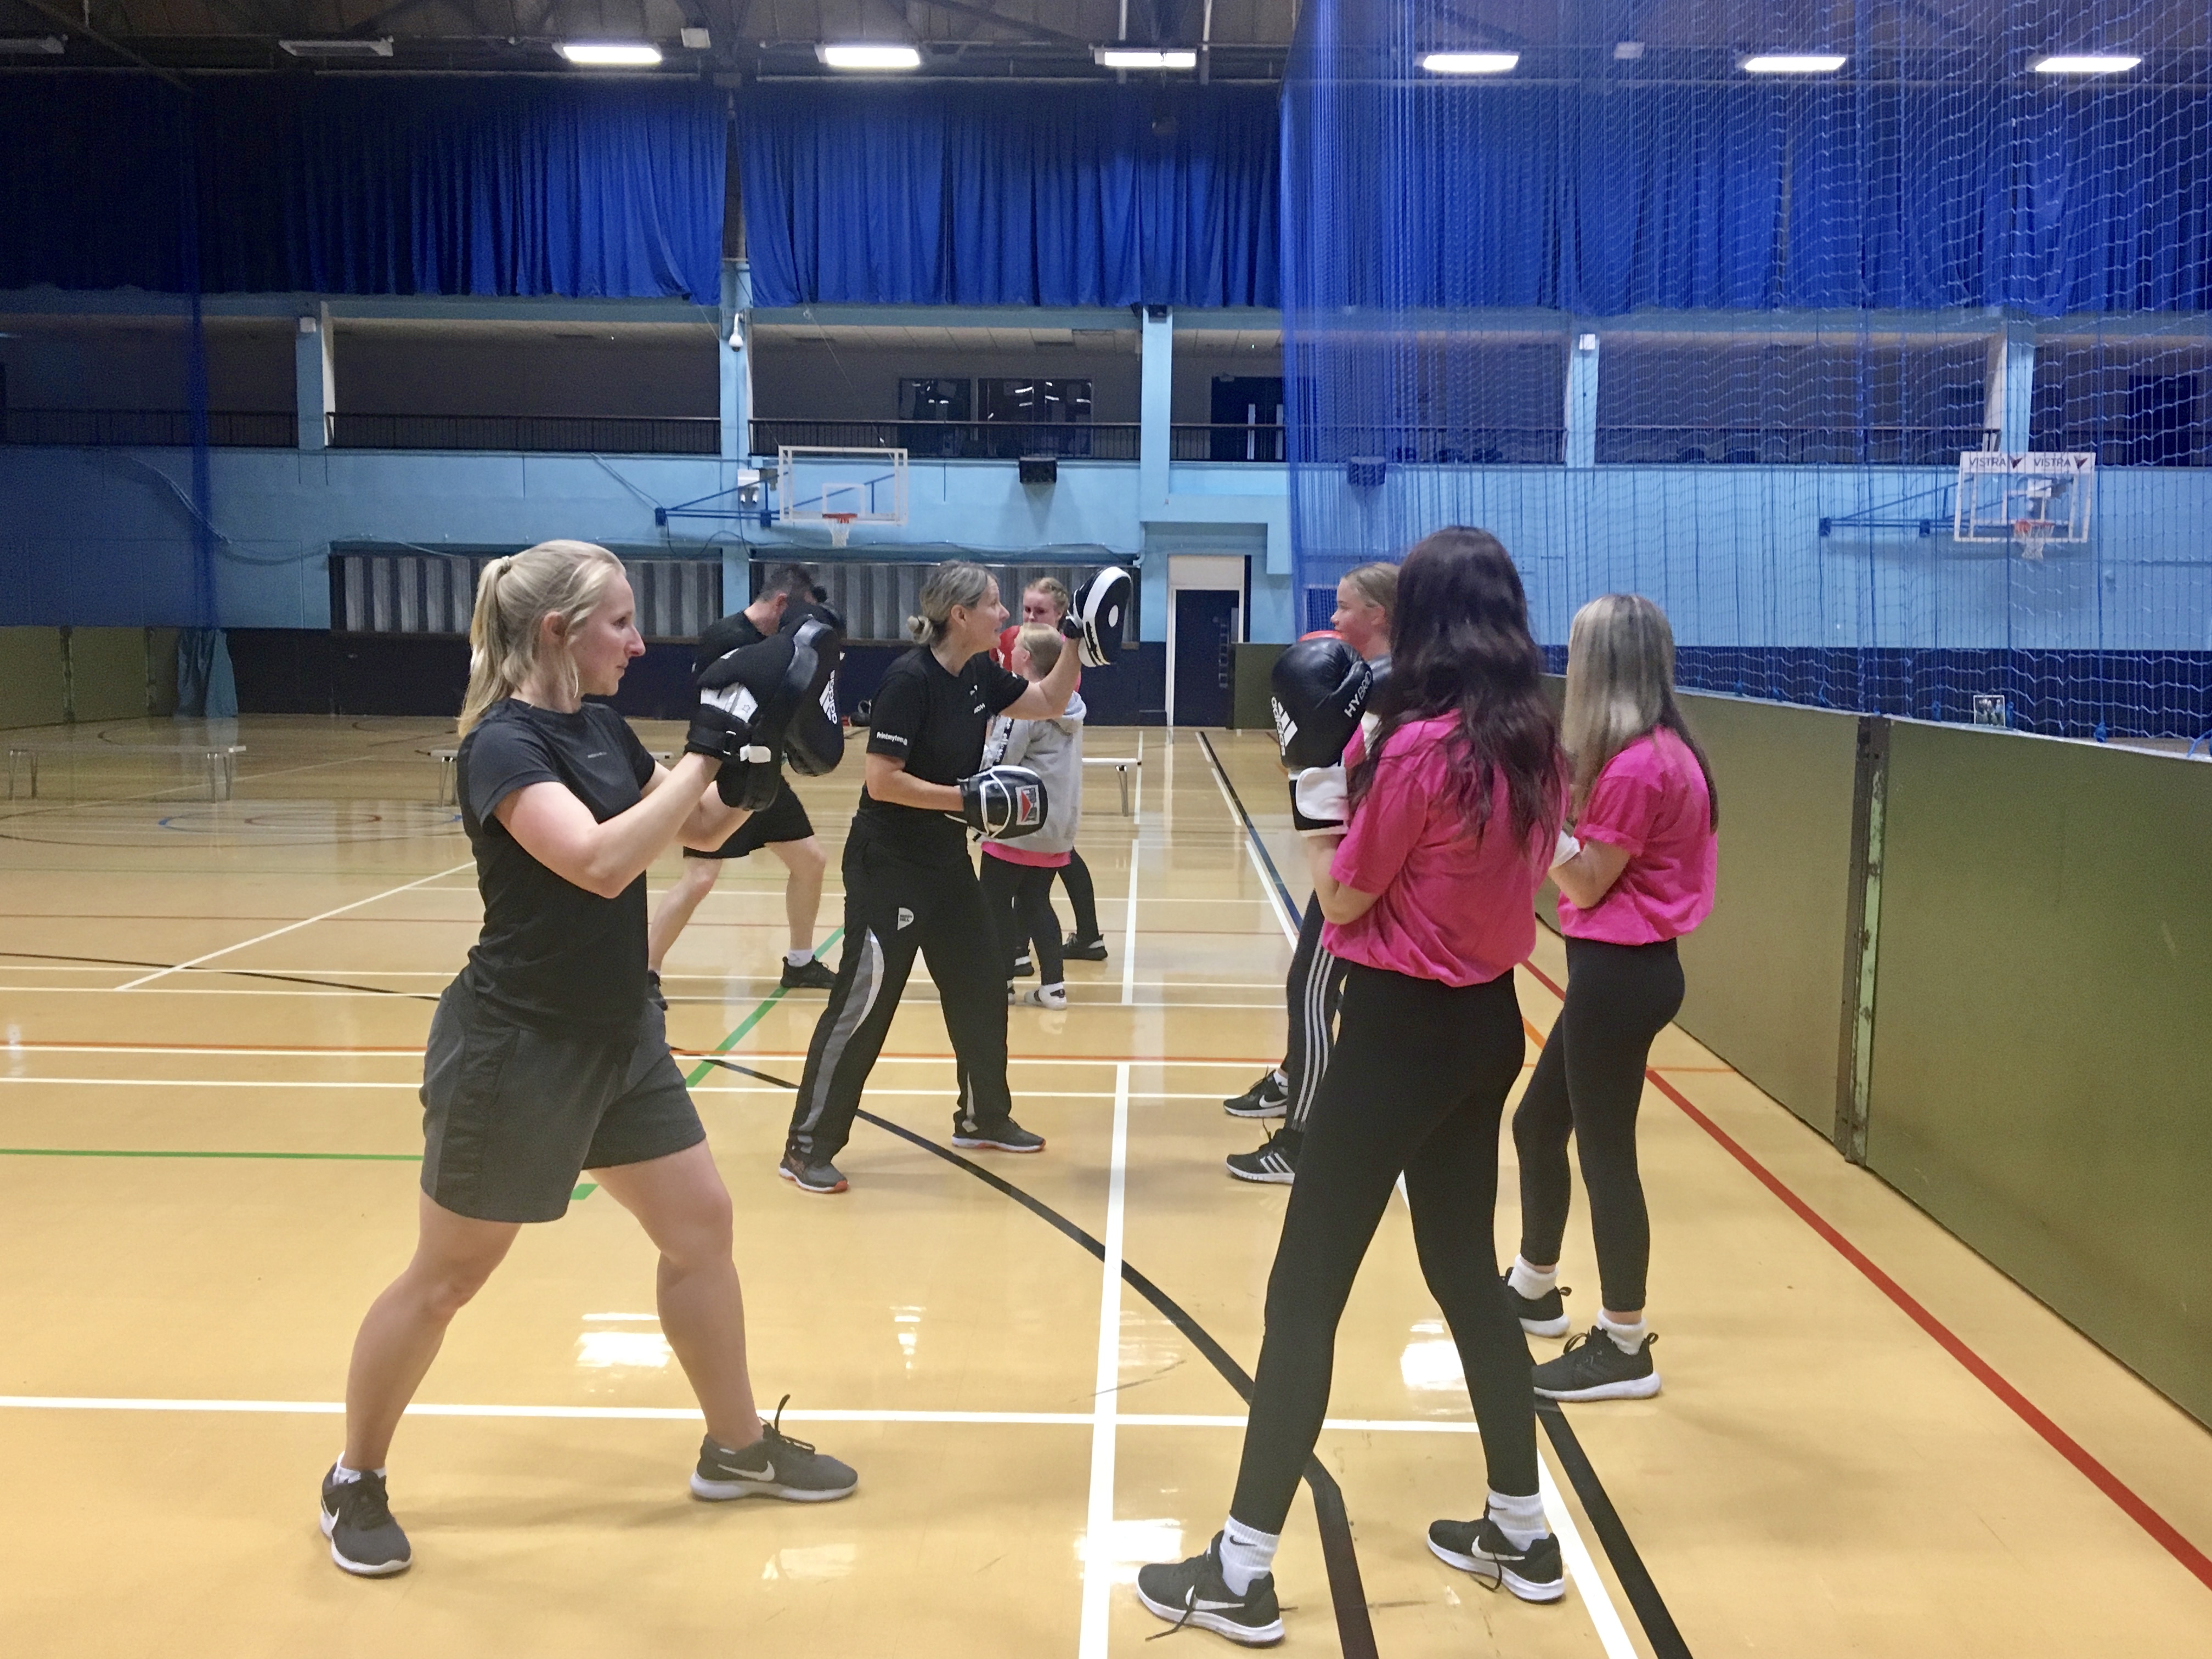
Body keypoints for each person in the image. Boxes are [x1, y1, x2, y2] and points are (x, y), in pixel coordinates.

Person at [321, 540, 854, 1580]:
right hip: (518, 1043)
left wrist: (755, 763)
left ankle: (735, 1445)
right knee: (446, 1278)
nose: (639, 643)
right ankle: (355, 1474)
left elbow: (701, 829)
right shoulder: (502, 745)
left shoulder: (602, 728)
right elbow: (602, 862)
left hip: (619, 1034)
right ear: (557, 631)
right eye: (620, 622)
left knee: (700, 1229)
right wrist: (708, 746)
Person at [1136, 528, 1568, 1642]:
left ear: (1421, 620)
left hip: (1396, 1036)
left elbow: (1340, 897)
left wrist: (1316, 781)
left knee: (1303, 1294)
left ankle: (1240, 1569)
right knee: (1464, 1274)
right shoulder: (1535, 742)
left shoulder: (1422, 750)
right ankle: (1521, 1527)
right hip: (1488, 1024)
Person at [780, 560, 1084, 1196]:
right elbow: (881, 781)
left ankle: (982, 1116)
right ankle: (807, 1145)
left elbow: (1050, 701)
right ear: (960, 615)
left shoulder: (978, 672)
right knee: (865, 1004)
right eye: (995, 603)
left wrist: (1076, 639)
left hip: (946, 861)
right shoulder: (909, 680)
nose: (1005, 614)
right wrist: (967, 799)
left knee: (981, 985)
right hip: (889, 864)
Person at [1506, 593, 1719, 1402]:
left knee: (1606, 1155)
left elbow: (1589, 882)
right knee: (1538, 1124)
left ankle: (1625, 1341)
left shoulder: (1639, 766)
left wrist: (1534, 815)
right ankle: (1534, 1285)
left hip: (1622, 973)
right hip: (1618, 971)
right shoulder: (1658, 752)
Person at [1222, 561, 1397, 1184]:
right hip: (1346, 859)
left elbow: (1363, 783)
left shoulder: (1388, 692)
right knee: (1312, 984)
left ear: (1378, 614)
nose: (1334, 618)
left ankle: (1303, 1140)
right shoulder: (1356, 683)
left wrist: (1317, 777)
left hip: (1357, 865)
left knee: (1312, 987)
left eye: (1345, 606)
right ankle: (1296, 1075)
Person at [647, 562, 838, 992]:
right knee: (700, 877)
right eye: (800, 613)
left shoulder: (787, 645)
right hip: (727, 775)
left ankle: (800, 963)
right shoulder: (727, 638)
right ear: (782, 603)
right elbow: (717, 714)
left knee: (810, 861)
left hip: (764, 771)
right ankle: (646, 972)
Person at [997, 576, 1109, 967]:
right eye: (1027, 609)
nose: (1031, 617)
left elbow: (1034, 709)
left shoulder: (1062, 657)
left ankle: (1020, 950)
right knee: (1045, 869)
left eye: (1041, 611)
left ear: (1060, 614)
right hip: (1030, 778)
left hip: (1041, 778)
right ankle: (1076, 939)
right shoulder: (1013, 640)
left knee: (1036, 870)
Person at [980, 622, 1087, 1011]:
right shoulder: (1072, 706)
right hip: (1056, 826)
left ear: (1024, 657)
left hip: (1017, 823)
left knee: (994, 902)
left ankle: (1000, 983)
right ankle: (1054, 987)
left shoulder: (1024, 705)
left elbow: (1000, 760)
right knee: (1036, 901)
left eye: (1014, 650)